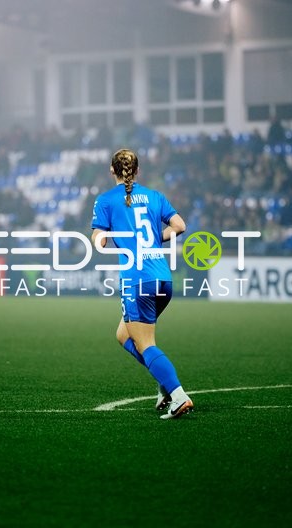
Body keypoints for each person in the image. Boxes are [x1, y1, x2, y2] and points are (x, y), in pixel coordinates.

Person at [91, 148, 193, 419]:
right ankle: (166, 385)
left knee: (146, 343)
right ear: (137, 171)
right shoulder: (154, 196)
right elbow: (180, 226)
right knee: (123, 335)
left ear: (112, 170)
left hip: (137, 281)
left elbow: (99, 241)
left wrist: (108, 238)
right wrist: (156, 239)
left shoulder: (105, 200)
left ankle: (178, 395)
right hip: (162, 278)